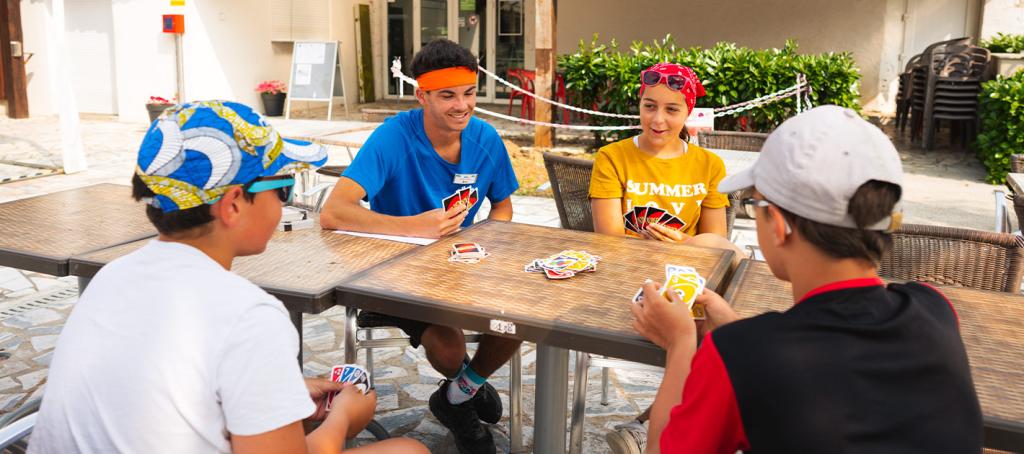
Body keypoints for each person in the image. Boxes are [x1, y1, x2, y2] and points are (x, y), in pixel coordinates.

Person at [29, 101, 426, 454]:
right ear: (234, 204)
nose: (287, 203)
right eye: (284, 188)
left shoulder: (111, 277)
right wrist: (343, 417)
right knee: (408, 450)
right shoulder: (249, 315)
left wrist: (286, 389)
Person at [630, 105, 982, 453]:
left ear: (779, 225)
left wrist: (681, 343)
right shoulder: (936, 309)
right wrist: (736, 328)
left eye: (755, 206)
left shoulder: (738, 357)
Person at [319, 39, 520, 453]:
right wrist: (414, 227)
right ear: (421, 95)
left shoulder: (485, 138)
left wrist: (481, 243)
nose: (461, 105)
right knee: (449, 350)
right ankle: (465, 393)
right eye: (447, 95)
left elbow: (503, 207)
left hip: (463, 270)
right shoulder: (393, 137)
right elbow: (333, 212)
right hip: (397, 272)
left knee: (522, 319)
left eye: (468, 93)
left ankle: (456, 397)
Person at [589, 62, 737, 255]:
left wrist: (684, 242)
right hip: (625, 265)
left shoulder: (710, 165)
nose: (658, 119)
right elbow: (608, 241)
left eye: (672, 109)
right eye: (650, 106)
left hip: (686, 267)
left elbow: (715, 246)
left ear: (687, 112)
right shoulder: (611, 158)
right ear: (640, 106)